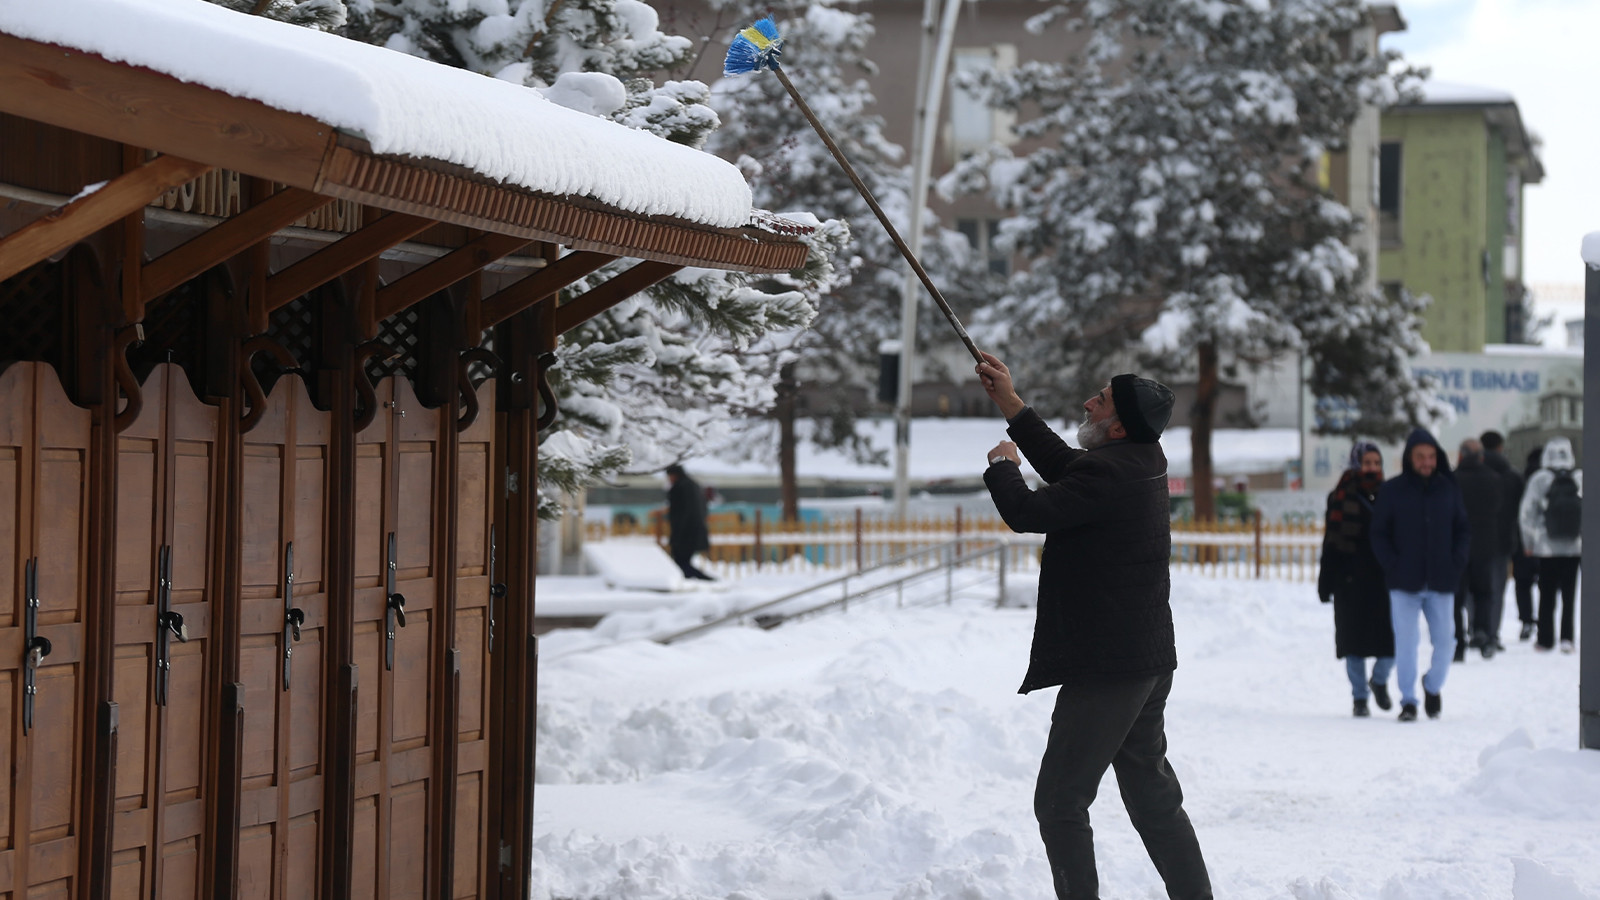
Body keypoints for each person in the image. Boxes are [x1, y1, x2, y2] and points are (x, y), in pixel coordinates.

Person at [975, 351, 1212, 900]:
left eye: (1100, 400)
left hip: (1111, 668)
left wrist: (1004, 467)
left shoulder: (1110, 471)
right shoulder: (1142, 456)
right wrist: (1011, 403)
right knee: (1153, 797)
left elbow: (1029, 513)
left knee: (1060, 801)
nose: (1088, 401)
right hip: (1146, 658)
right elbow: (1069, 467)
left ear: (1119, 426)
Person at [1369, 428, 1470, 722]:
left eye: (1431, 457)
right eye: (1420, 457)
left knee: (1446, 642)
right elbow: (1379, 533)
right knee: (1406, 644)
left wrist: (1456, 562)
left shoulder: (1449, 489)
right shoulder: (1392, 490)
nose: (1427, 462)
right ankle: (1408, 701)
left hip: (1441, 580)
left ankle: (1432, 685)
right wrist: (1392, 564)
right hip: (1404, 582)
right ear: (1409, 458)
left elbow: (1462, 529)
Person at [1317, 442, 1395, 717]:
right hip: (1348, 578)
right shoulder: (1339, 496)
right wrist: (1326, 581)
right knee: (1353, 642)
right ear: (1355, 464)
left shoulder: (1391, 495)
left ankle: (1379, 680)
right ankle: (1359, 697)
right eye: (1367, 462)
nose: (1372, 468)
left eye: (1376, 463)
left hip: (1384, 578)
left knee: (1391, 641)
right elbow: (1331, 540)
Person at [1518, 437, 1582, 653]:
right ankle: (1567, 638)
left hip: (1547, 548)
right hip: (1574, 547)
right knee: (1569, 596)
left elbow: (1527, 513)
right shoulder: (1580, 478)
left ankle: (1545, 639)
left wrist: (1528, 542)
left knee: (1546, 595)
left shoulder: (1539, 479)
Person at [1453, 438, 1502, 660]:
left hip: (1457, 547)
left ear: (1461, 455)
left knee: (1456, 598)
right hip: (1485, 545)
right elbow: (1499, 509)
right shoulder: (1493, 479)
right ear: (1481, 457)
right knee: (1484, 593)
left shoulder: (1451, 480)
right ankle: (1483, 632)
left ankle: (1458, 643)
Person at [1479, 430, 1522, 648]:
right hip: (1503, 539)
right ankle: (1492, 633)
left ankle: (1476, 629)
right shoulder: (1512, 475)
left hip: (1475, 540)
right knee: (1497, 588)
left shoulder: (1470, 472)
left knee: (1475, 587)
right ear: (1500, 447)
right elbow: (1519, 510)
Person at [1511, 445, 1545, 641]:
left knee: (1523, 584)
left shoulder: (1520, 480)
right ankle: (1544, 621)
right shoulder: (1551, 481)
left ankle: (1526, 621)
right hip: (1547, 543)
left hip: (1522, 541)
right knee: (1546, 585)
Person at [664, 463, 715, 581]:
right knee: (682, 562)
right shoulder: (693, 485)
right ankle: (701, 579)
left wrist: (677, 532)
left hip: (684, 533)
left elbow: (681, 512)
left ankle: (705, 580)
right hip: (695, 530)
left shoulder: (680, 487)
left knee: (680, 562)